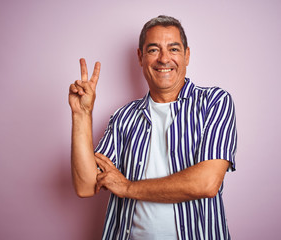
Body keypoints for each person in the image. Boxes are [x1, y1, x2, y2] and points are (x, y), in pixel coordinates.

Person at [69, 15, 237, 240]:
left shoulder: (214, 102)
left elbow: (206, 183)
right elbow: (86, 185)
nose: (164, 59)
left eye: (174, 49)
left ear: (187, 55)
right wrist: (82, 115)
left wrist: (127, 187)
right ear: (140, 57)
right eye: (153, 50)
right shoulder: (123, 118)